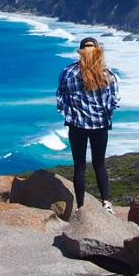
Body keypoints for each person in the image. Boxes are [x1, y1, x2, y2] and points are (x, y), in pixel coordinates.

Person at [56, 36, 119, 212]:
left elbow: (61, 99)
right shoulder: (107, 74)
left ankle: (81, 207)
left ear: (80, 52)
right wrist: (103, 116)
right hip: (100, 126)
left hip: (77, 126)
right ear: (98, 51)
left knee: (80, 166)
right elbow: (113, 101)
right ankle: (106, 203)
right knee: (99, 164)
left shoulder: (68, 72)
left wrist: (71, 114)